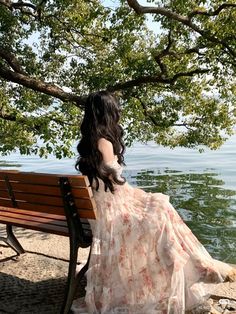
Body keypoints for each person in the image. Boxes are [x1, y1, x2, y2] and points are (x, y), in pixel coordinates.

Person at [72, 91, 235, 314]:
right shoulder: (104, 143)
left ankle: (194, 264)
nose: (119, 112)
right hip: (109, 213)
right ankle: (195, 266)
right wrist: (143, 197)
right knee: (161, 210)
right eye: (116, 109)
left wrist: (141, 196)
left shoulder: (88, 143)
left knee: (158, 207)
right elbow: (117, 184)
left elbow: (108, 185)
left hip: (96, 209)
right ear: (108, 113)